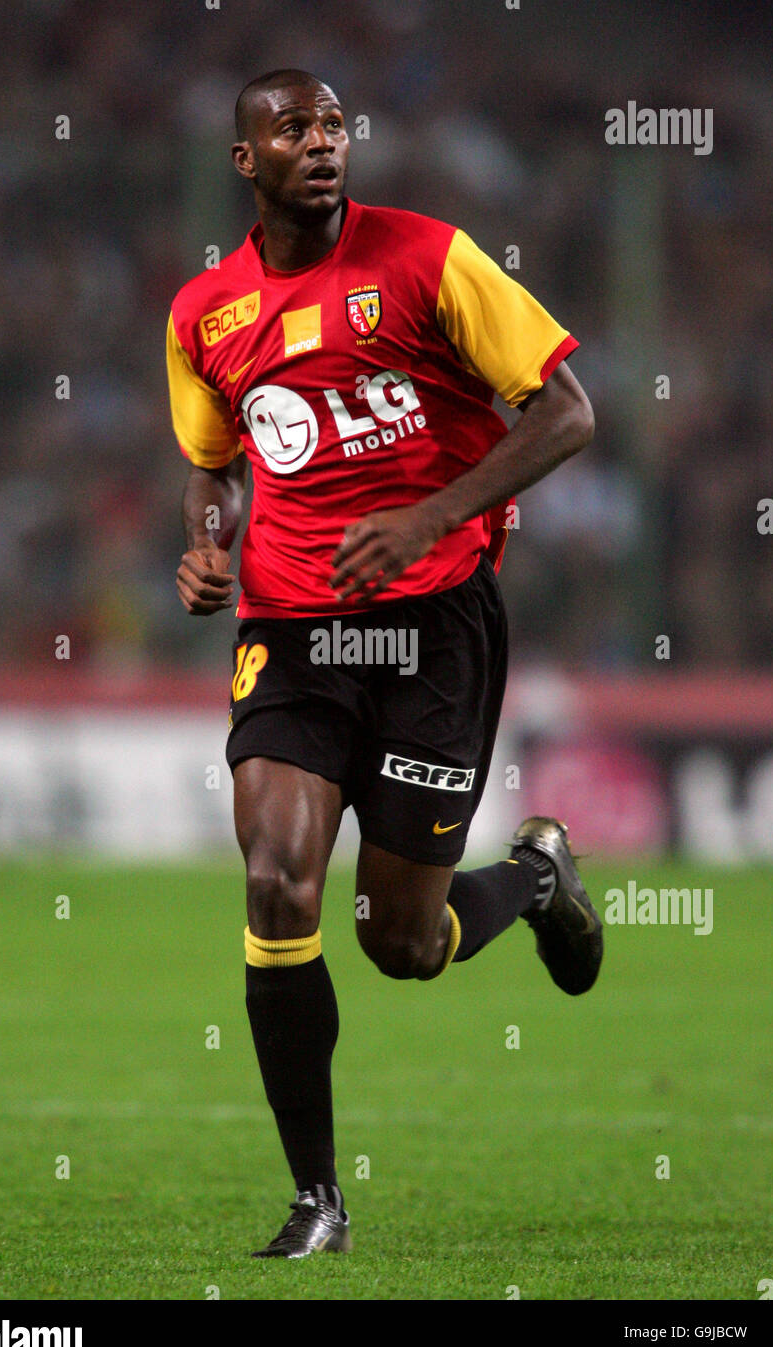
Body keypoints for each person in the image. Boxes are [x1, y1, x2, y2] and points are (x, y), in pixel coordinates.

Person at [166, 69, 602, 1259]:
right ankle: (318, 1200)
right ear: (245, 158)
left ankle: (536, 877)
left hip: (433, 629)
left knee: (401, 944)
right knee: (275, 885)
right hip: (291, 631)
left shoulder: (427, 260)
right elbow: (214, 462)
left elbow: (565, 412)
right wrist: (207, 549)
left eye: (333, 126)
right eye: (291, 128)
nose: (320, 144)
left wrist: (425, 518)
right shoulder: (203, 312)